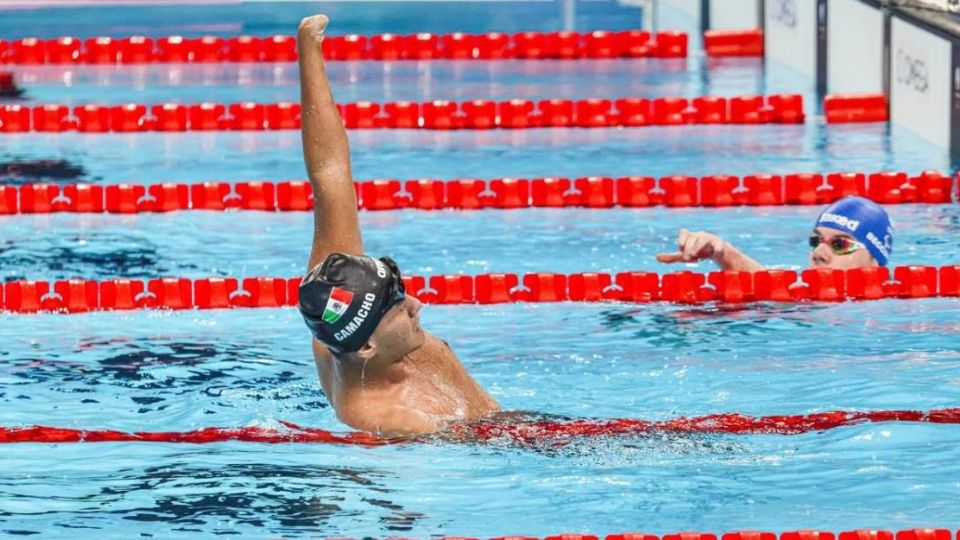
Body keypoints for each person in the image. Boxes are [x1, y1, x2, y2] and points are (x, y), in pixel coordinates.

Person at [294, 15, 500, 436]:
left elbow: (330, 175)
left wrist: (308, 50)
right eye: (399, 309)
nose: (417, 305)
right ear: (367, 345)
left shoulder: (336, 298)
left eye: (402, 294)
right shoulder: (387, 421)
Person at [656, 196, 894, 271]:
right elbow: (762, 279)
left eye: (840, 244)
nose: (819, 253)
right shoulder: (803, 300)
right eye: (815, 241)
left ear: (875, 261)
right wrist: (722, 252)